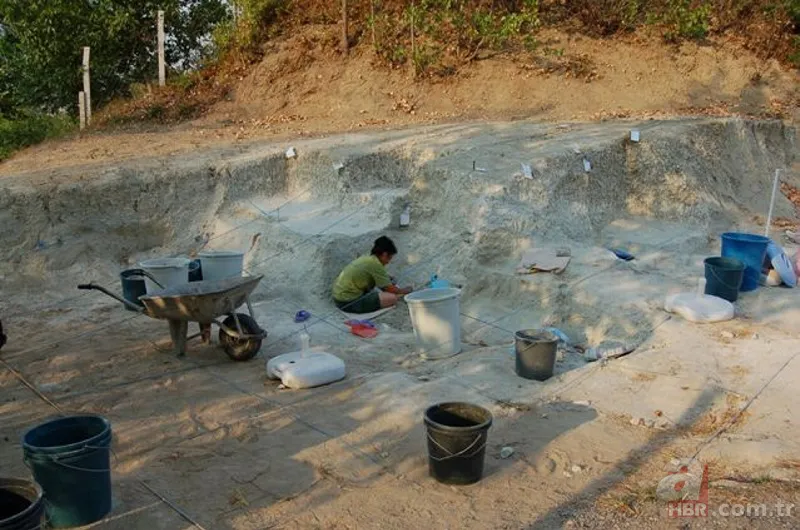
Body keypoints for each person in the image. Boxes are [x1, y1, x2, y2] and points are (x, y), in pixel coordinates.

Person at [332, 236, 413, 314]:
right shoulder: (375, 264)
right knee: (392, 298)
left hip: (339, 297)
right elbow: (390, 289)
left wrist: (387, 279)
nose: (388, 262)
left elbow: (377, 276)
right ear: (384, 254)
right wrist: (405, 290)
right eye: (389, 258)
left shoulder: (368, 259)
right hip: (348, 302)